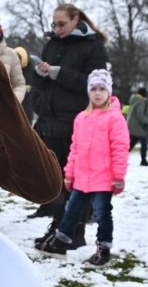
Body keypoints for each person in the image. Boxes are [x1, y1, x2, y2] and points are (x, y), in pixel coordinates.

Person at [27, 3, 111, 246]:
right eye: (54, 24)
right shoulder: (52, 44)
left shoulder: (93, 47)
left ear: (76, 20)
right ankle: (58, 228)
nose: (57, 28)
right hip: (50, 121)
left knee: (75, 181)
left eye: (62, 23)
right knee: (57, 180)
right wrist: (40, 79)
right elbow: (41, 83)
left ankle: (74, 233)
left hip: (77, 124)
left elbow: (97, 85)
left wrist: (59, 73)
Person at [36, 70, 129, 265]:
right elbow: (75, 148)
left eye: (102, 89)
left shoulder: (115, 118)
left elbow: (120, 148)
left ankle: (103, 249)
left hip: (104, 179)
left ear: (109, 91)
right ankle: (61, 243)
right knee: (71, 210)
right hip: (82, 179)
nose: (97, 93)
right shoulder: (81, 118)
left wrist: (118, 177)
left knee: (103, 214)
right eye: (93, 89)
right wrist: (69, 174)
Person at [126, 87, 148, 166]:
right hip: (138, 125)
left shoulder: (134, 100)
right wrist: (145, 122)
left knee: (132, 142)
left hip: (131, 124)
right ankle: (143, 160)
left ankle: (121, 156)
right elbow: (139, 114)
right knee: (144, 142)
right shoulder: (140, 102)